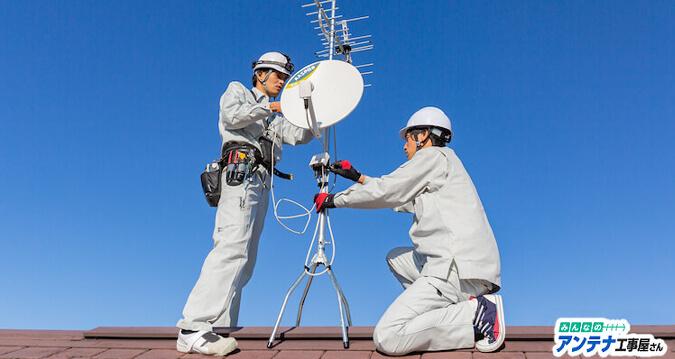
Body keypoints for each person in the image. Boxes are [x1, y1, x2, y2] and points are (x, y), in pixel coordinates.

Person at [313, 106, 504, 355]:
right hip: (459, 266)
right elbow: (401, 198)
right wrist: (358, 177)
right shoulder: (442, 167)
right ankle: (452, 309)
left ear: (422, 135)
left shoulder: (433, 157)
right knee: (395, 257)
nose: (404, 147)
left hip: (454, 269)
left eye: (407, 139)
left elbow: (389, 190)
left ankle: (476, 315)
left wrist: (334, 199)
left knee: (388, 337)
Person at [176, 52, 314, 356]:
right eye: (277, 74)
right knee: (232, 247)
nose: (282, 81)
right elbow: (232, 116)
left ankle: (219, 327)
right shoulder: (239, 91)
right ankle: (193, 327)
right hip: (242, 174)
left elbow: (298, 135)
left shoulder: (271, 119)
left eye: (284, 76)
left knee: (246, 259)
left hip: (261, 184)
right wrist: (270, 106)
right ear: (260, 74)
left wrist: (318, 116)